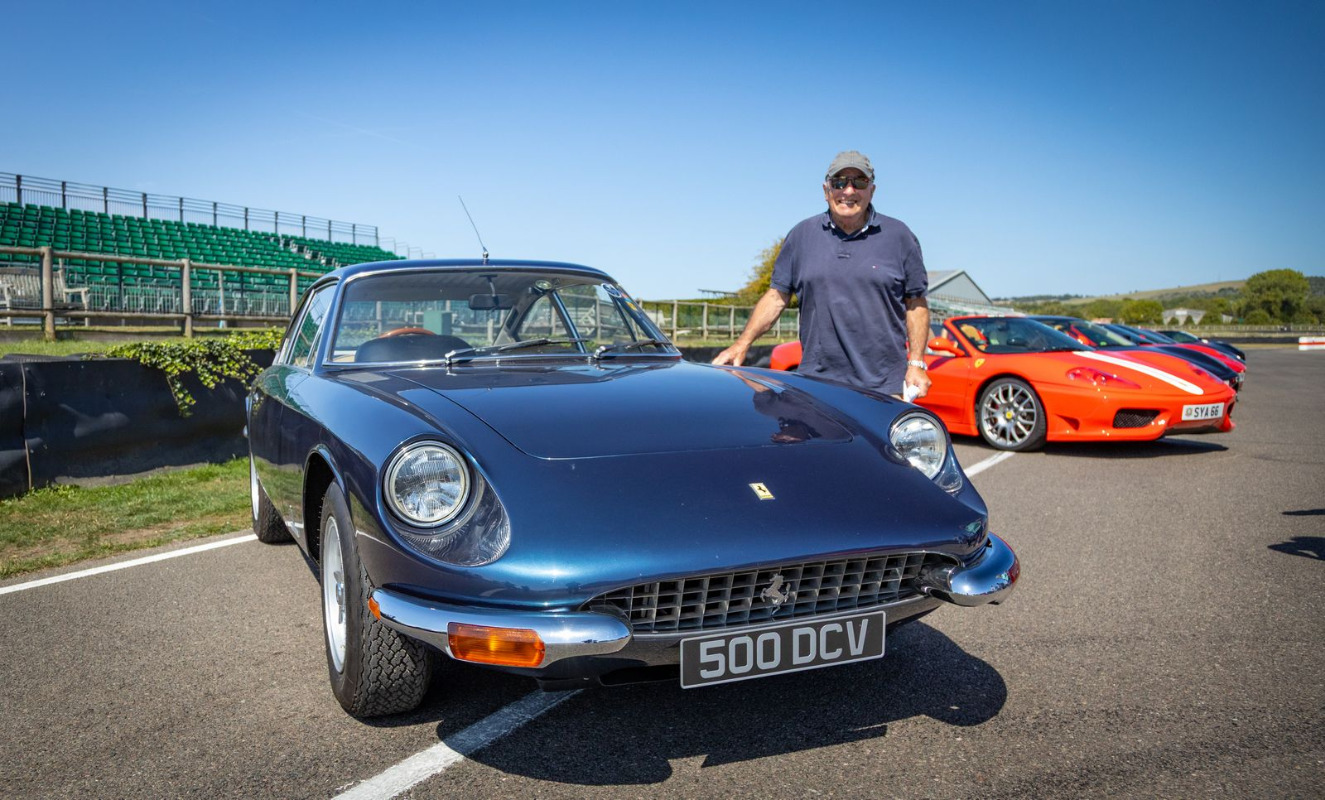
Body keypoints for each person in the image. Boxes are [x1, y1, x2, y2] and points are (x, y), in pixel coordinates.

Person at [712, 150, 932, 400]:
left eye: (859, 182)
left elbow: (916, 303)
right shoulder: (801, 236)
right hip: (817, 386)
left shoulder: (899, 236)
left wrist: (917, 363)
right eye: (839, 182)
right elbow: (776, 298)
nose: (848, 191)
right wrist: (741, 344)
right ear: (826, 190)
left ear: (872, 190)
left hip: (884, 388)